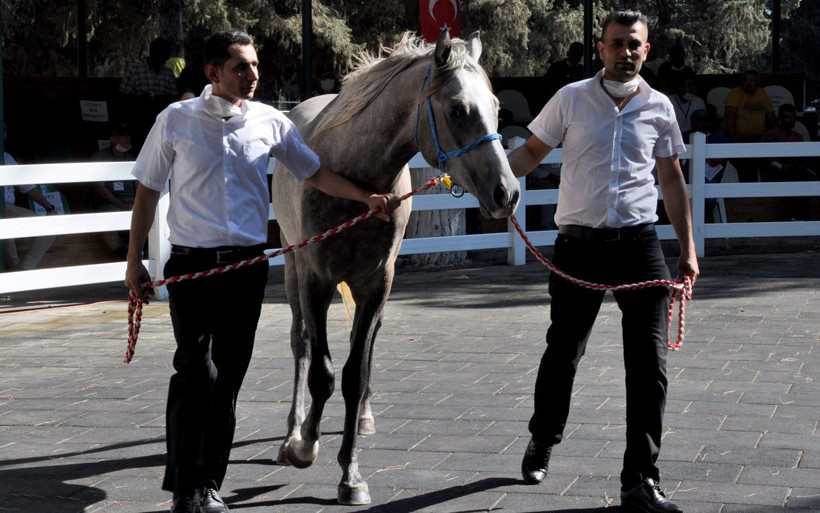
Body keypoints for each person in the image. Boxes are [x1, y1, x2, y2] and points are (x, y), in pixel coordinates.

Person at [124, 30, 398, 513]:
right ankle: (184, 487)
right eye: (241, 68)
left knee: (228, 377)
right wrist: (135, 263)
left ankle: (209, 484)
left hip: (247, 268)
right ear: (213, 73)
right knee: (194, 372)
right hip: (192, 266)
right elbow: (147, 190)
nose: (254, 76)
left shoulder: (271, 123)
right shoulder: (175, 121)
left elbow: (314, 172)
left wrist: (366, 198)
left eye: (255, 65)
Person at [507, 11, 698, 513]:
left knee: (649, 366)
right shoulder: (570, 98)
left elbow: (672, 180)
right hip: (579, 245)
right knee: (563, 352)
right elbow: (528, 153)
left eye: (634, 44)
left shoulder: (659, 107)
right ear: (600, 48)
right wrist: (489, 175)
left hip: (640, 245)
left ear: (646, 50)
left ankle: (641, 477)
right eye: (616, 43)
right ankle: (544, 436)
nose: (625, 52)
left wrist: (689, 248)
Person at [2, 123, 59, 271]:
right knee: (5, 221)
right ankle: (15, 271)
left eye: (5, 130)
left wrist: (49, 207)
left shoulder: (6, 157)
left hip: (10, 206)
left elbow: (27, 186)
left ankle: (24, 271)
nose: (4, 134)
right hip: (3, 210)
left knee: (50, 226)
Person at [119, 37, 180, 153]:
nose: (167, 57)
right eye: (165, 53)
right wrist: (142, 99)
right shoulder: (135, 70)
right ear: (155, 52)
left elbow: (174, 98)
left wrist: (159, 100)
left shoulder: (168, 73)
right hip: (140, 121)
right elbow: (123, 96)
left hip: (162, 122)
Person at [760, 103, 816, 220]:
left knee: (806, 177)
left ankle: (801, 218)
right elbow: (770, 160)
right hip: (775, 172)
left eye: (793, 117)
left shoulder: (798, 137)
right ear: (780, 118)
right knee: (799, 177)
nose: (791, 120)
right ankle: (797, 217)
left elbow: (801, 157)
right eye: (787, 117)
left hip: (794, 170)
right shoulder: (770, 135)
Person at [90, 123, 138, 253]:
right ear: (113, 139)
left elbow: (139, 187)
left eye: (127, 135)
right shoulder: (100, 157)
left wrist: (135, 204)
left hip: (131, 202)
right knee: (117, 217)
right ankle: (128, 250)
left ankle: (137, 249)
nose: (126, 138)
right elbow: (99, 187)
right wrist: (120, 204)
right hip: (110, 202)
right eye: (122, 135)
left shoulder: (132, 159)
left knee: (145, 216)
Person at [723, 69, 776, 182]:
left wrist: (775, 133)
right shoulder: (735, 93)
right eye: (746, 80)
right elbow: (730, 116)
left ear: (757, 82)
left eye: (752, 80)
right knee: (744, 170)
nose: (749, 83)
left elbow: (771, 116)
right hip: (740, 139)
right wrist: (734, 135)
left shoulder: (762, 93)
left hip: (759, 138)